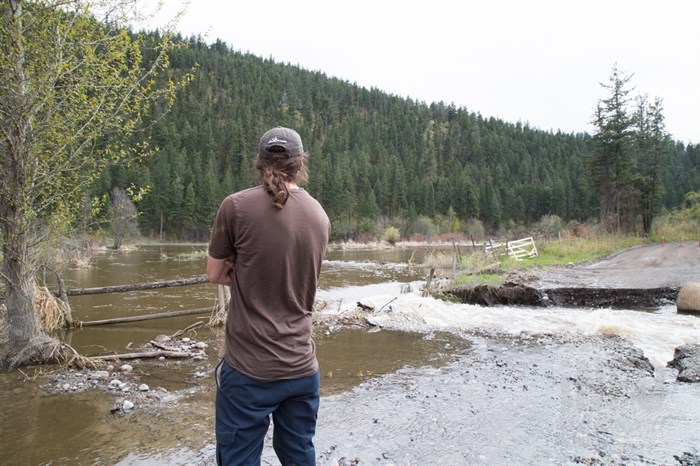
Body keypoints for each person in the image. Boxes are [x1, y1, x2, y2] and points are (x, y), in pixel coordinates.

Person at [207, 126, 330, 466]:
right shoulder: (319, 215)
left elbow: (215, 273)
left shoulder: (235, 207)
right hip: (302, 368)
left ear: (258, 162)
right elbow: (301, 278)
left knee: (239, 458)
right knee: (299, 455)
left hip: (249, 371)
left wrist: (246, 272)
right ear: (300, 162)